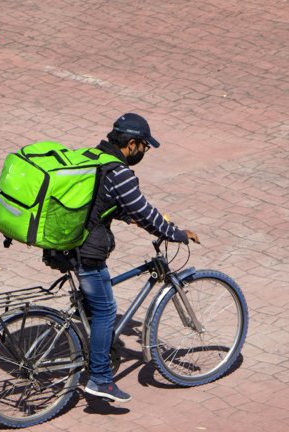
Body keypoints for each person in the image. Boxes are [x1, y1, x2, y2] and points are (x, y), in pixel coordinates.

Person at [78, 113, 199, 403]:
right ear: (131, 144)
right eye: (144, 146)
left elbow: (98, 200)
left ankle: (86, 346)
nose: (144, 152)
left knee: (94, 308)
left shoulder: (92, 156)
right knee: (107, 311)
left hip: (67, 243)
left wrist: (125, 216)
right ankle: (100, 380)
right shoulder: (119, 172)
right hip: (87, 250)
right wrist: (176, 233)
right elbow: (146, 212)